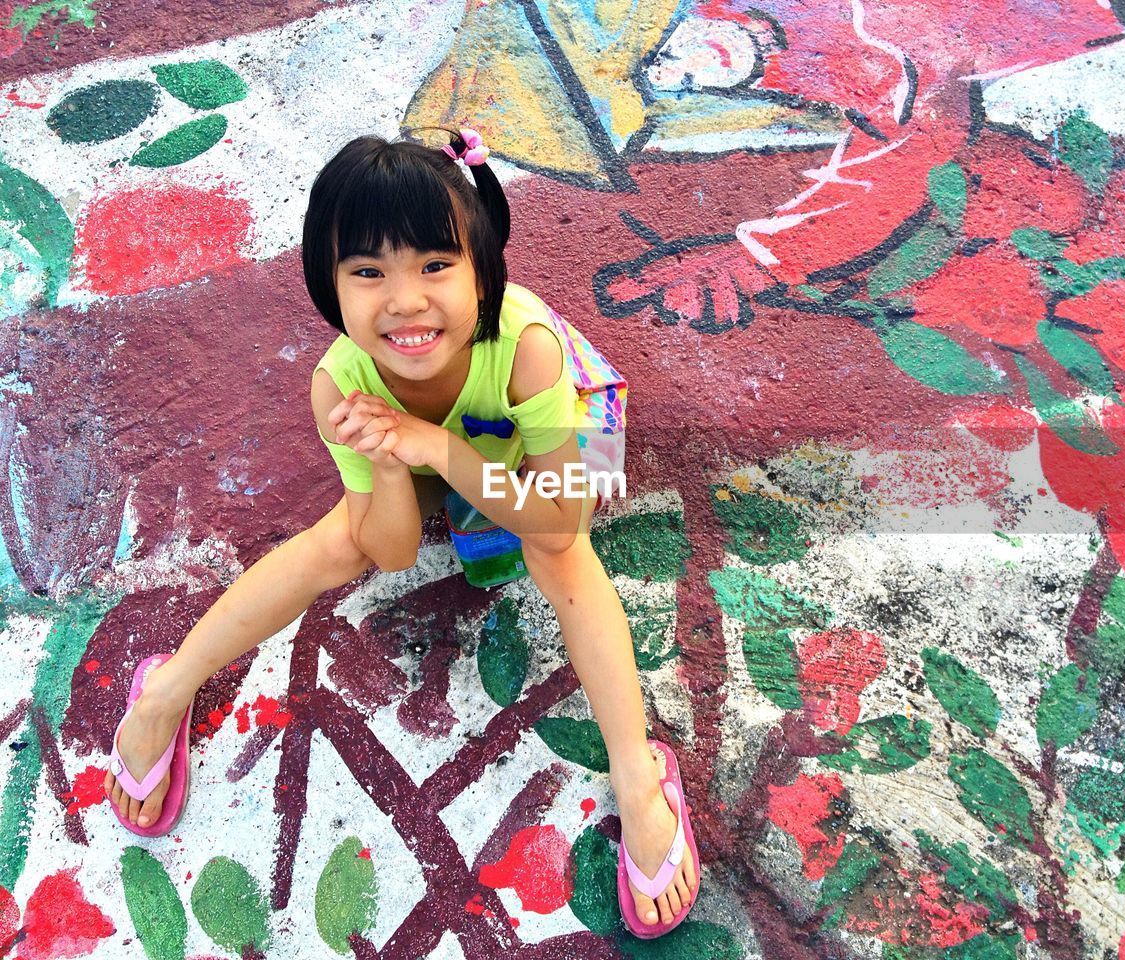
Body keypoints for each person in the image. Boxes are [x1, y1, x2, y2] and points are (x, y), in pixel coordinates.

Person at [101, 130, 699, 938]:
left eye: (435, 265)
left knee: (558, 556)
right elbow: (386, 549)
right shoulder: (340, 382)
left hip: (556, 431)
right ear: (330, 288)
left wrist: (436, 450)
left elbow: (558, 517)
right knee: (336, 541)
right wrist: (390, 467)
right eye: (368, 272)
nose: (406, 300)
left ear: (483, 271)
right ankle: (164, 689)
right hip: (433, 438)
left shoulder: (528, 350)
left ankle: (637, 773)